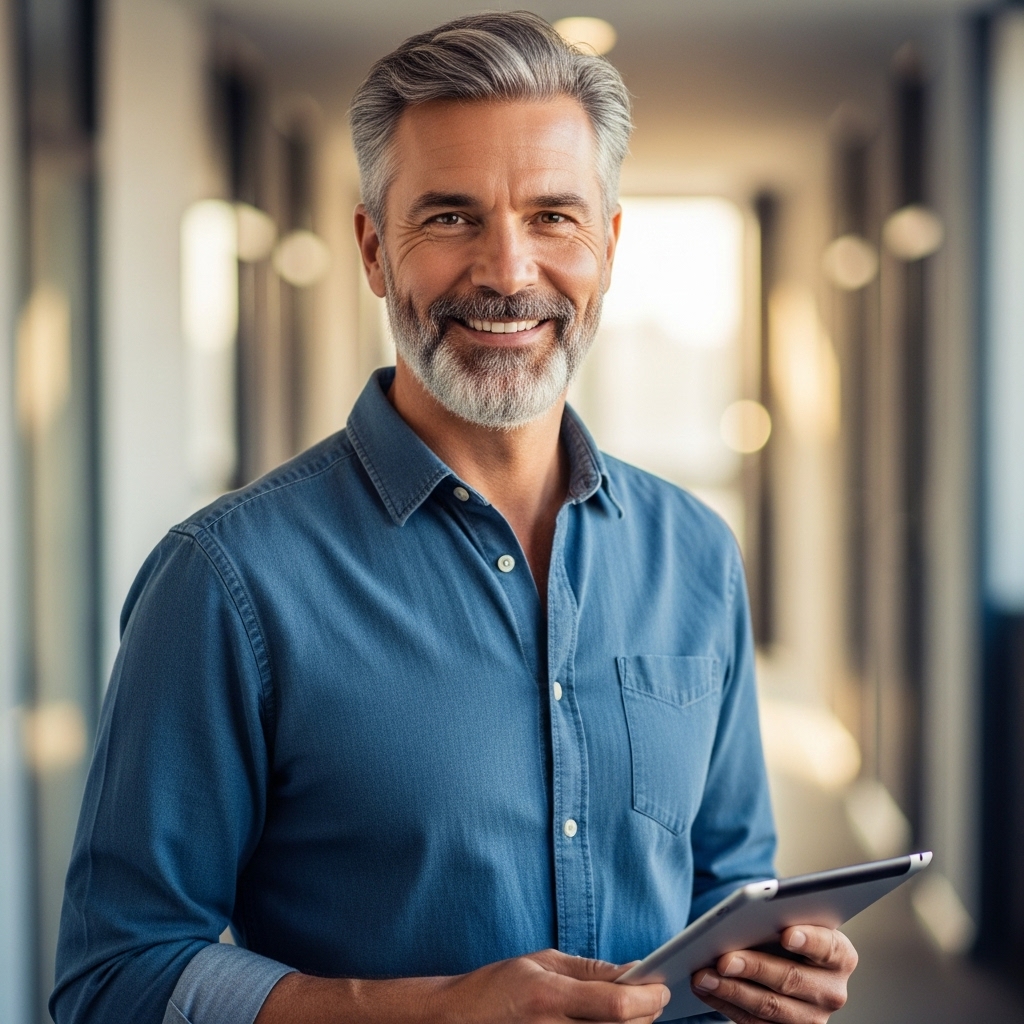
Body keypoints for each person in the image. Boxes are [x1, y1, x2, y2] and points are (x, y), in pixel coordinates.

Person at [52, 12, 857, 1024]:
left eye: (553, 217)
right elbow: (113, 979)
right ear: (373, 249)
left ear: (607, 246)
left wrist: (772, 972)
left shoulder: (694, 554)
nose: (508, 272)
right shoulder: (225, 581)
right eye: (449, 217)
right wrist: (427, 1009)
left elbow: (726, 890)